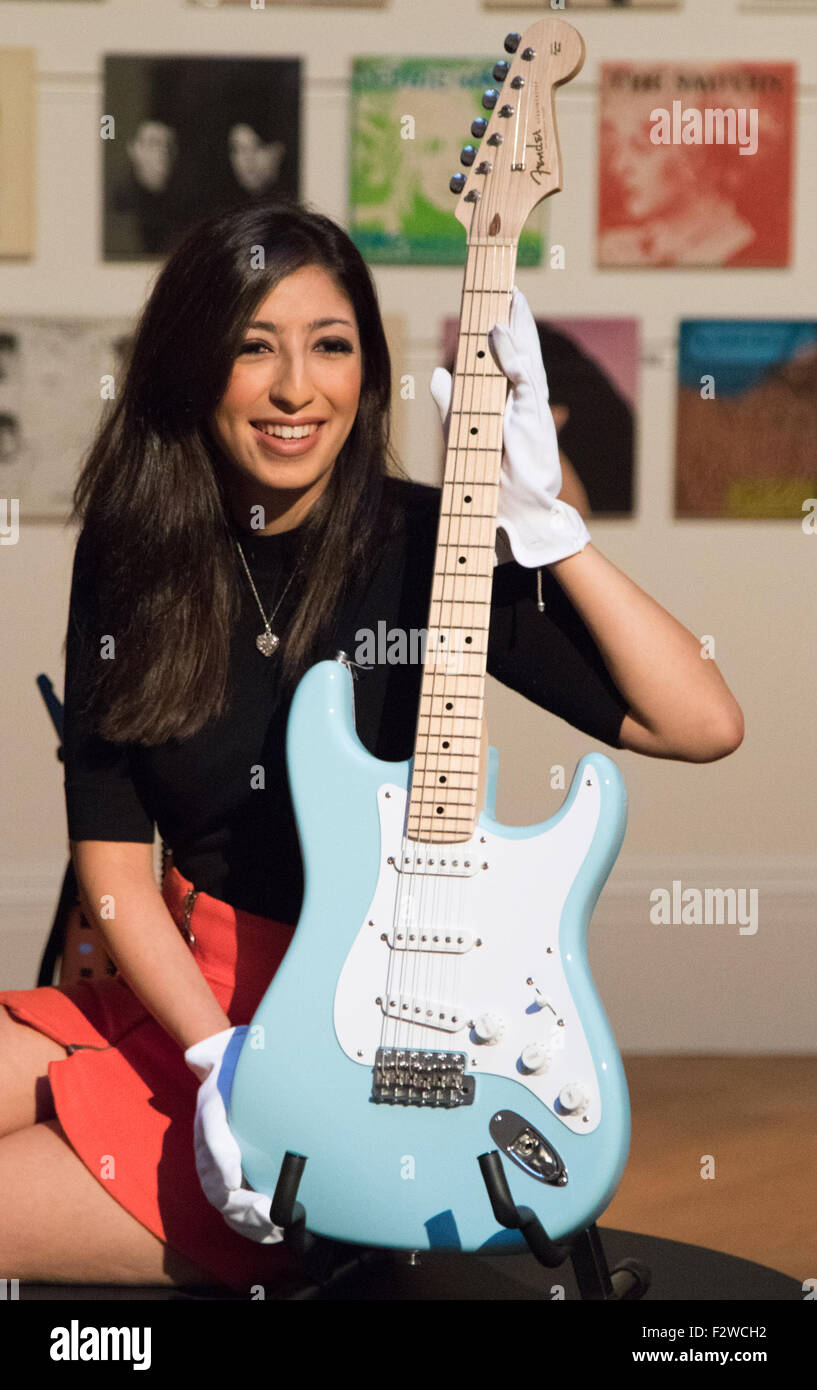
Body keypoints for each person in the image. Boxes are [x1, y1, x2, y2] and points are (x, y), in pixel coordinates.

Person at [0, 201, 744, 1295]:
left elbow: (702, 722)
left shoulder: (425, 546)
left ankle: (348, 1234)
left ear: (370, 365)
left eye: (331, 346)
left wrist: (556, 536)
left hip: (354, 1065)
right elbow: (114, 866)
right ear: (192, 368)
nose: (298, 388)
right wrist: (218, 1060)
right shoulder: (134, 550)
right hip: (184, 1010)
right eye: (254, 347)